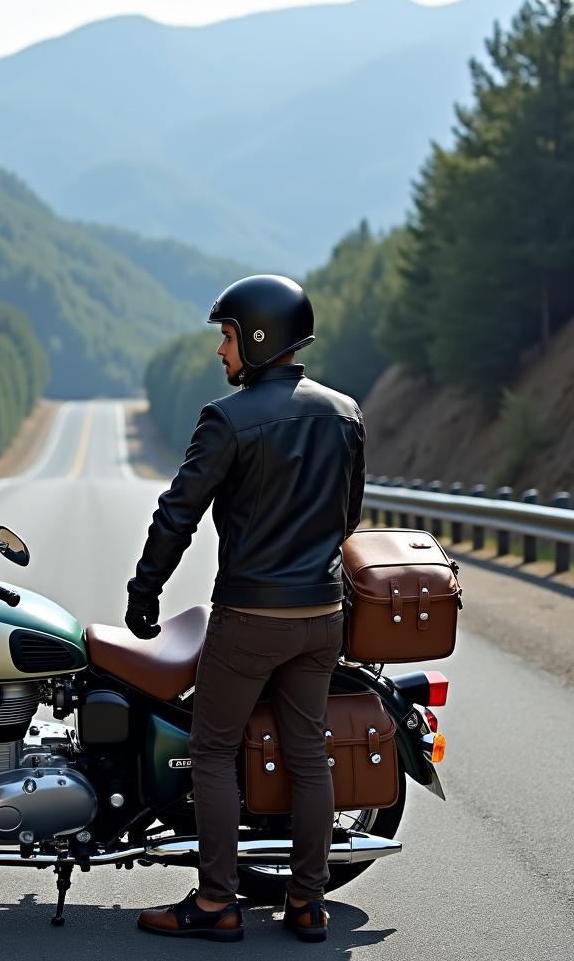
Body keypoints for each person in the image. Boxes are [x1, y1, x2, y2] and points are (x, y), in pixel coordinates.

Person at [128, 274, 366, 944]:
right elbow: (349, 516)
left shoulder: (228, 419)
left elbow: (177, 514)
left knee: (212, 749)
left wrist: (143, 593)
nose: (220, 351)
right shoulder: (345, 414)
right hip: (322, 617)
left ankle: (216, 902)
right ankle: (308, 904)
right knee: (308, 755)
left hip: (252, 617)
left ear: (260, 337)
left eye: (227, 336)